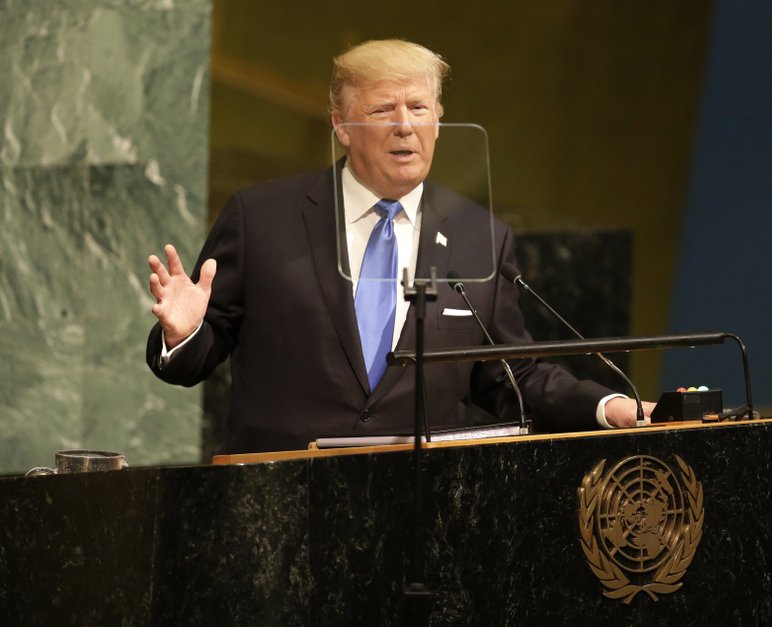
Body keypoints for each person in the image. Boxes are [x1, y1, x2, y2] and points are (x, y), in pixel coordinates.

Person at [146, 39, 654, 454]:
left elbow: (508, 374)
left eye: (418, 107)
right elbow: (199, 354)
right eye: (383, 109)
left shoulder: (481, 236)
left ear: (437, 119)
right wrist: (184, 335)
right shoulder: (261, 218)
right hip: (279, 507)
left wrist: (608, 406)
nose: (404, 125)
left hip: (419, 510)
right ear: (341, 125)